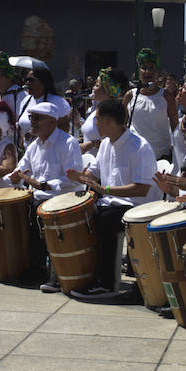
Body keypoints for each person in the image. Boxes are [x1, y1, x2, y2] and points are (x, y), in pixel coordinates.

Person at [66, 97, 158, 297]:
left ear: (108, 121)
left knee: (105, 221)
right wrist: (81, 176)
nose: (95, 123)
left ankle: (106, 283)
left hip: (135, 207)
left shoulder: (140, 147)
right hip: (111, 202)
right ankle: (84, 275)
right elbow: (94, 172)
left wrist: (104, 189)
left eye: (97, 119)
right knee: (81, 215)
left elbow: (141, 189)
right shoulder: (107, 144)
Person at [9, 100, 84, 292]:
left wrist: (45, 185)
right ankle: (36, 267)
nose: (32, 122)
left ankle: (57, 272)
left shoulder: (68, 143)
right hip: (40, 198)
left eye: (37, 118)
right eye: (31, 118)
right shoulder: (35, 145)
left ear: (52, 121)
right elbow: (22, 168)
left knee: (38, 210)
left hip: (62, 200)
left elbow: (73, 177)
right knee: (21, 211)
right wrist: (16, 175)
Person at [123, 48, 172, 161]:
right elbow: (122, 125)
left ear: (157, 73)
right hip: (135, 154)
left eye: (151, 68)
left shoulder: (166, 96)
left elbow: (175, 126)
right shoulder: (130, 96)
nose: (147, 72)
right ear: (138, 72)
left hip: (161, 156)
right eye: (144, 68)